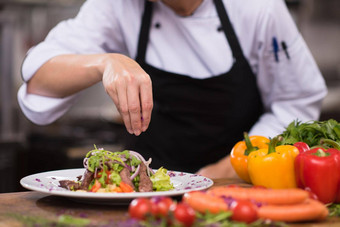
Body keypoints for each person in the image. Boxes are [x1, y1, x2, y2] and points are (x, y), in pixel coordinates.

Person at [17, 0, 327, 178]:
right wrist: (103, 63)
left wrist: (230, 167)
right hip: (145, 190)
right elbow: (39, 83)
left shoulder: (258, 8)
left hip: (234, 192)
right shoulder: (119, 5)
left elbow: (295, 101)